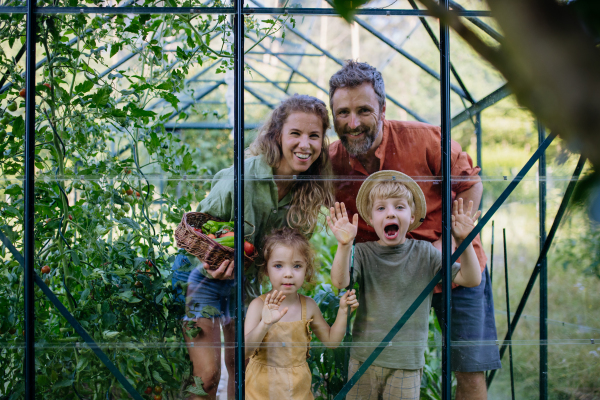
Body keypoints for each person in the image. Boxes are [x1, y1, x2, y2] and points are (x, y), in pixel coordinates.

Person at [328, 61, 500, 400]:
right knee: (379, 363)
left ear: (383, 108)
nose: (353, 123)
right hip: (388, 278)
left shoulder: (424, 139)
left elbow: (470, 184)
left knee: (468, 368)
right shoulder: (331, 160)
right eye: (342, 112)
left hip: (451, 264)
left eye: (364, 110)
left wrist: (448, 241)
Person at [172, 94, 335, 399]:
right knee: (206, 378)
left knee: (242, 369)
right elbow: (197, 228)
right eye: (295, 133)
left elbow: (286, 253)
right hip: (207, 282)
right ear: (277, 135)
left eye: (314, 136)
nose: (305, 144)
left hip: (247, 287)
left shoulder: (306, 191)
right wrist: (211, 259)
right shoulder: (243, 177)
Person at [328, 172, 482, 400]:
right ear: (370, 218)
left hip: (406, 366)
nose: (390, 212)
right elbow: (339, 282)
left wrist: (463, 242)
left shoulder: (426, 254)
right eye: (381, 208)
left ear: (411, 217)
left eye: (399, 207)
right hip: (363, 361)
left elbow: (471, 279)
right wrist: (344, 245)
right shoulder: (361, 252)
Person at [244, 227, 359, 400]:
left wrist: (343, 312)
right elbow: (244, 351)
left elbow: (332, 341)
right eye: (278, 266)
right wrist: (264, 324)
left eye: (297, 266)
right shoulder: (258, 306)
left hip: (298, 390)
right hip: (261, 390)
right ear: (266, 269)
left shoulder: (309, 306)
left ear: (307, 269)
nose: (288, 274)